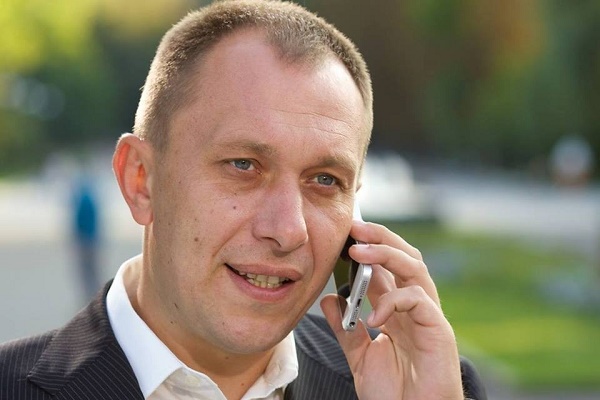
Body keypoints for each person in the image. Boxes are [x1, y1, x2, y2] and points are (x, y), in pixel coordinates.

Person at [0, 1, 487, 399]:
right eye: (243, 165)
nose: (288, 229)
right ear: (142, 180)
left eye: (324, 180)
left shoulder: (418, 388)